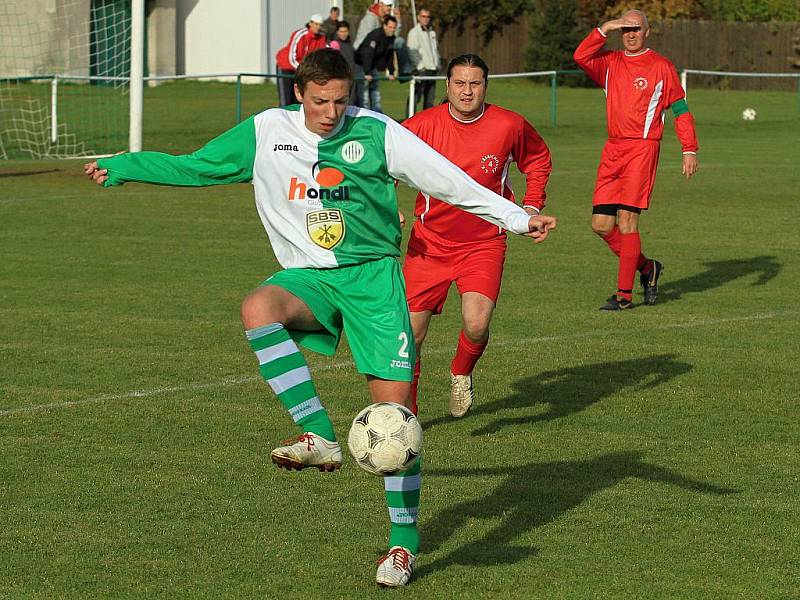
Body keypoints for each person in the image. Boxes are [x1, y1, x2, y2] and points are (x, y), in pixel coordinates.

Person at [83, 49, 556, 588]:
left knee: (395, 418)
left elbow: (450, 181)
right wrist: (126, 166)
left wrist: (518, 218)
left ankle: (402, 546)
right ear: (298, 94)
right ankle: (318, 436)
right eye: (319, 101)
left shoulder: (377, 132)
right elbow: (199, 167)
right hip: (310, 278)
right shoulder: (266, 132)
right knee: (258, 306)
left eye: (340, 100)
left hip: (374, 283)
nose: (331, 113)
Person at [401, 54, 552, 417]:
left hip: (484, 243)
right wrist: (385, 207)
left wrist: (530, 207)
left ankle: (461, 372)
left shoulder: (508, 125)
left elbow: (538, 159)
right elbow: (378, 163)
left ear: (485, 86)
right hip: (429, 243)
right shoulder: (420, 126)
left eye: (475, 84)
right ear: (447, 85)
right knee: (409, 338)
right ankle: (408, 416)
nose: (467, 91)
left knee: (476, 321)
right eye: (459, 83)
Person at [573, 9, 698, 310]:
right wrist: (605, 27)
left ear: (648, 31)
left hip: (642, 150)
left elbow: (680, 109)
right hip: (613, 150)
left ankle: (624, 296)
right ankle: (647, 268)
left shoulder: (661, 67)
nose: (630, 34)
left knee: (627, 220)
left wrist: (689, 148)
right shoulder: (610, 63)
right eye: (625, 29)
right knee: (601, 224)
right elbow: (580, 56)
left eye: (636, 29)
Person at [274, 14, 326, 106]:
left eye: (320, 25)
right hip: (286, 67)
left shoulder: (321, 38)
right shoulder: (300, 34)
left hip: (302, 70)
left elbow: (321, 55)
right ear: (310, 23)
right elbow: (291, 57)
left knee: (299, 98)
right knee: (286, 99)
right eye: (316, 24)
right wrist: (304, 70)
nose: (318, 27)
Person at [355, 16, 398, 112]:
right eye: (390, 27)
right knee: (364, 94)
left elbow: (389, 55)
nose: (392, 30)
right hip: (361, 64)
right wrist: (367, 72)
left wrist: (391, 71)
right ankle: (364, 116)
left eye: (394, 27)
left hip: (372, 66)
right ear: (385, 26)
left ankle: (377, 114)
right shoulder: (375, 36)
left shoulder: (391, 38)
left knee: (376, 92)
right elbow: (367, 54)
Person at [406, 7, 441, 112]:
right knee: (415, 97)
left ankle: (427, 125)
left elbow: (435, 50)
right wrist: (420, 66)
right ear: (418, 17)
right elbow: (412, 51)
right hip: (422, 70)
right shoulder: (414, 33)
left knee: (429, 100)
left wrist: (437, 64)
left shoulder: (432, 33)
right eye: (423, 16)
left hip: (432, 70)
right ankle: (409, 120)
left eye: (428, 16)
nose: (426, 19)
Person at [328, 21, 357, 104]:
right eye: (341, 31)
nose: (344, 34)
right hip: (340, 78)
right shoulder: (334, 44)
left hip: (351, 77)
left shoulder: (350, 44)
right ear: (337, 32)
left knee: (352, 102)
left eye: (345, 31)